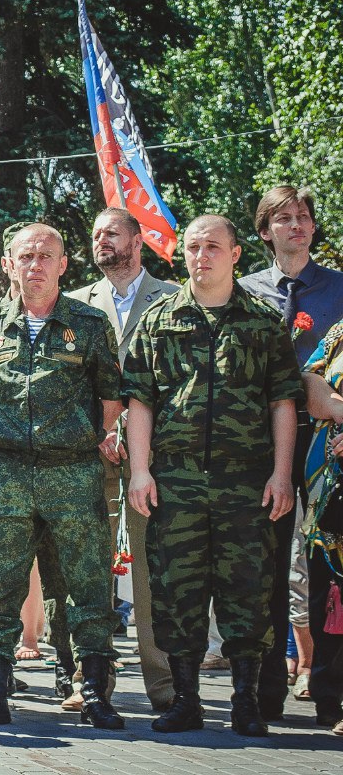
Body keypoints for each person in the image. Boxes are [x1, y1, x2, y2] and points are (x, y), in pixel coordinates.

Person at [124, 214, 302, 737]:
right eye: (193, 248)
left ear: (235, 254)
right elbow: (140, 401)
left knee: (247, 591)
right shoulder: (159, 319)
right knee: (176, 591)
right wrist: (140, 471)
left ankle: (245, 700)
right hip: (175, 482)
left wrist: (282, 474)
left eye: (213, 247)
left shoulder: (263, 322)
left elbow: (283, 402)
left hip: (246, 482)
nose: (201, 257)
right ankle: (186, 701)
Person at [0, 223, 125, 731]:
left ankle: (94, 692)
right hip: (5, 473)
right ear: (9, 265)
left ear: (64, 264)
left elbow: (111, 398)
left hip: (72, 474)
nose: (36, 265)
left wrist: (77, 434)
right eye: (25, 256)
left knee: (86, 584)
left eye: (46, 256)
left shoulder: (89, 323)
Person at [65, 207, 179, 711]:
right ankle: (89, 681)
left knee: (152, 571)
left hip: (151, 458)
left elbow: (174, 382)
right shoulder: (75, 303)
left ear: (137, 240)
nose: (102, 241)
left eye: (112, 233)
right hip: (90, 455)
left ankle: (164, 686)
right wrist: (99, 431)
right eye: (96, 234)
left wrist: (134, 431)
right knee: (88, 568)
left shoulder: (172, 299)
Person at [238, 186, 343, 721]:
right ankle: (266, 690)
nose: (296, 225)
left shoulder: (340, 289)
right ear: (265, 231)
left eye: (303, 217)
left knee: (329, 564)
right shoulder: (244, 291)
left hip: (329, 441)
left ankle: (328, 690)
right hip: (262, 441)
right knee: (268, 563)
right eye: (284, 218)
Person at [300, 322, 343, 736]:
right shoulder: (339, 334)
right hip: (330, 493)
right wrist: (339, 409)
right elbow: (310, 383)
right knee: (328, 596)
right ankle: (330, 696)